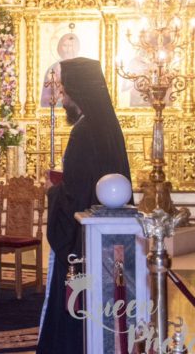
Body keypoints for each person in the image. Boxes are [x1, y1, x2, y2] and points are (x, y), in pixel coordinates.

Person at [37, 58, 131, 354]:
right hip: (110, 238)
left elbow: (75, 195)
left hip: (84, 241)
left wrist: (53, 191)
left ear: (77, 91)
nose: (61, 97)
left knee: (76, 306)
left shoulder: (83, 131)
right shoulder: (108, 127)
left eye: (64, 91)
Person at [40, 32, 80, 107]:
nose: (68, 50)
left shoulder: (81, 67)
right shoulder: (53, 69)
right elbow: (46, 96)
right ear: (60, 47)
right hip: (58, 107)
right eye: (65, 45)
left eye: (71, 46)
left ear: (76, 47)